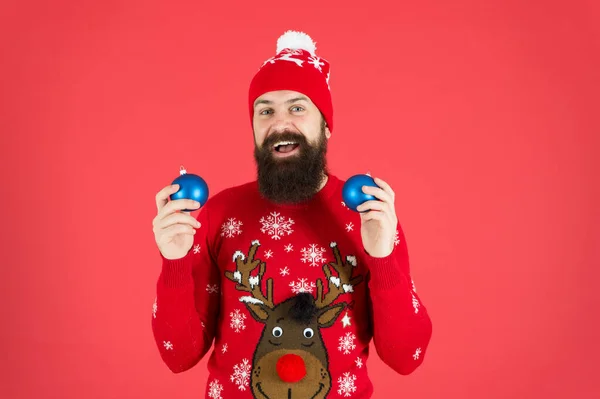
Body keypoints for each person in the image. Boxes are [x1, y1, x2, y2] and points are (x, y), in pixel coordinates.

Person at [151, 30, 433, 399]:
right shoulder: (219, 214)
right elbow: (179, 356)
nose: (280, 123)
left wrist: (381, 260)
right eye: (265, 110)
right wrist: (172, 262)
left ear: (326, 125)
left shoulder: (368, 215)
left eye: (297, 107)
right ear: (253, 127)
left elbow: (406, 357)